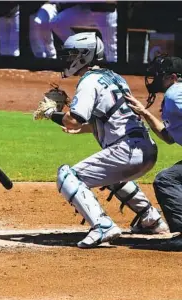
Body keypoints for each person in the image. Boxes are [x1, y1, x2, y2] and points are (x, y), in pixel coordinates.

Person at [38, 32, 168, 248]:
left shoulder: (88, 81)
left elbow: (73, 120)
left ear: (84, 55)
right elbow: (112, 117)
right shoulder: (115, 77)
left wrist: (52, 113)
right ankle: (150, 219)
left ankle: (102, 225)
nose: (68, 60)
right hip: (146, 149)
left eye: (71, 55)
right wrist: (85, 129)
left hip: (126, 151)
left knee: (67, 175)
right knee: (110, 174)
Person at [125, 54, 182, 246]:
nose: (156, 79)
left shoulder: (175, 92)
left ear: (173, 77)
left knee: (167, 180)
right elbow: (168, 137)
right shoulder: (175, 94)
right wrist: (144, 113)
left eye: (161, 75)